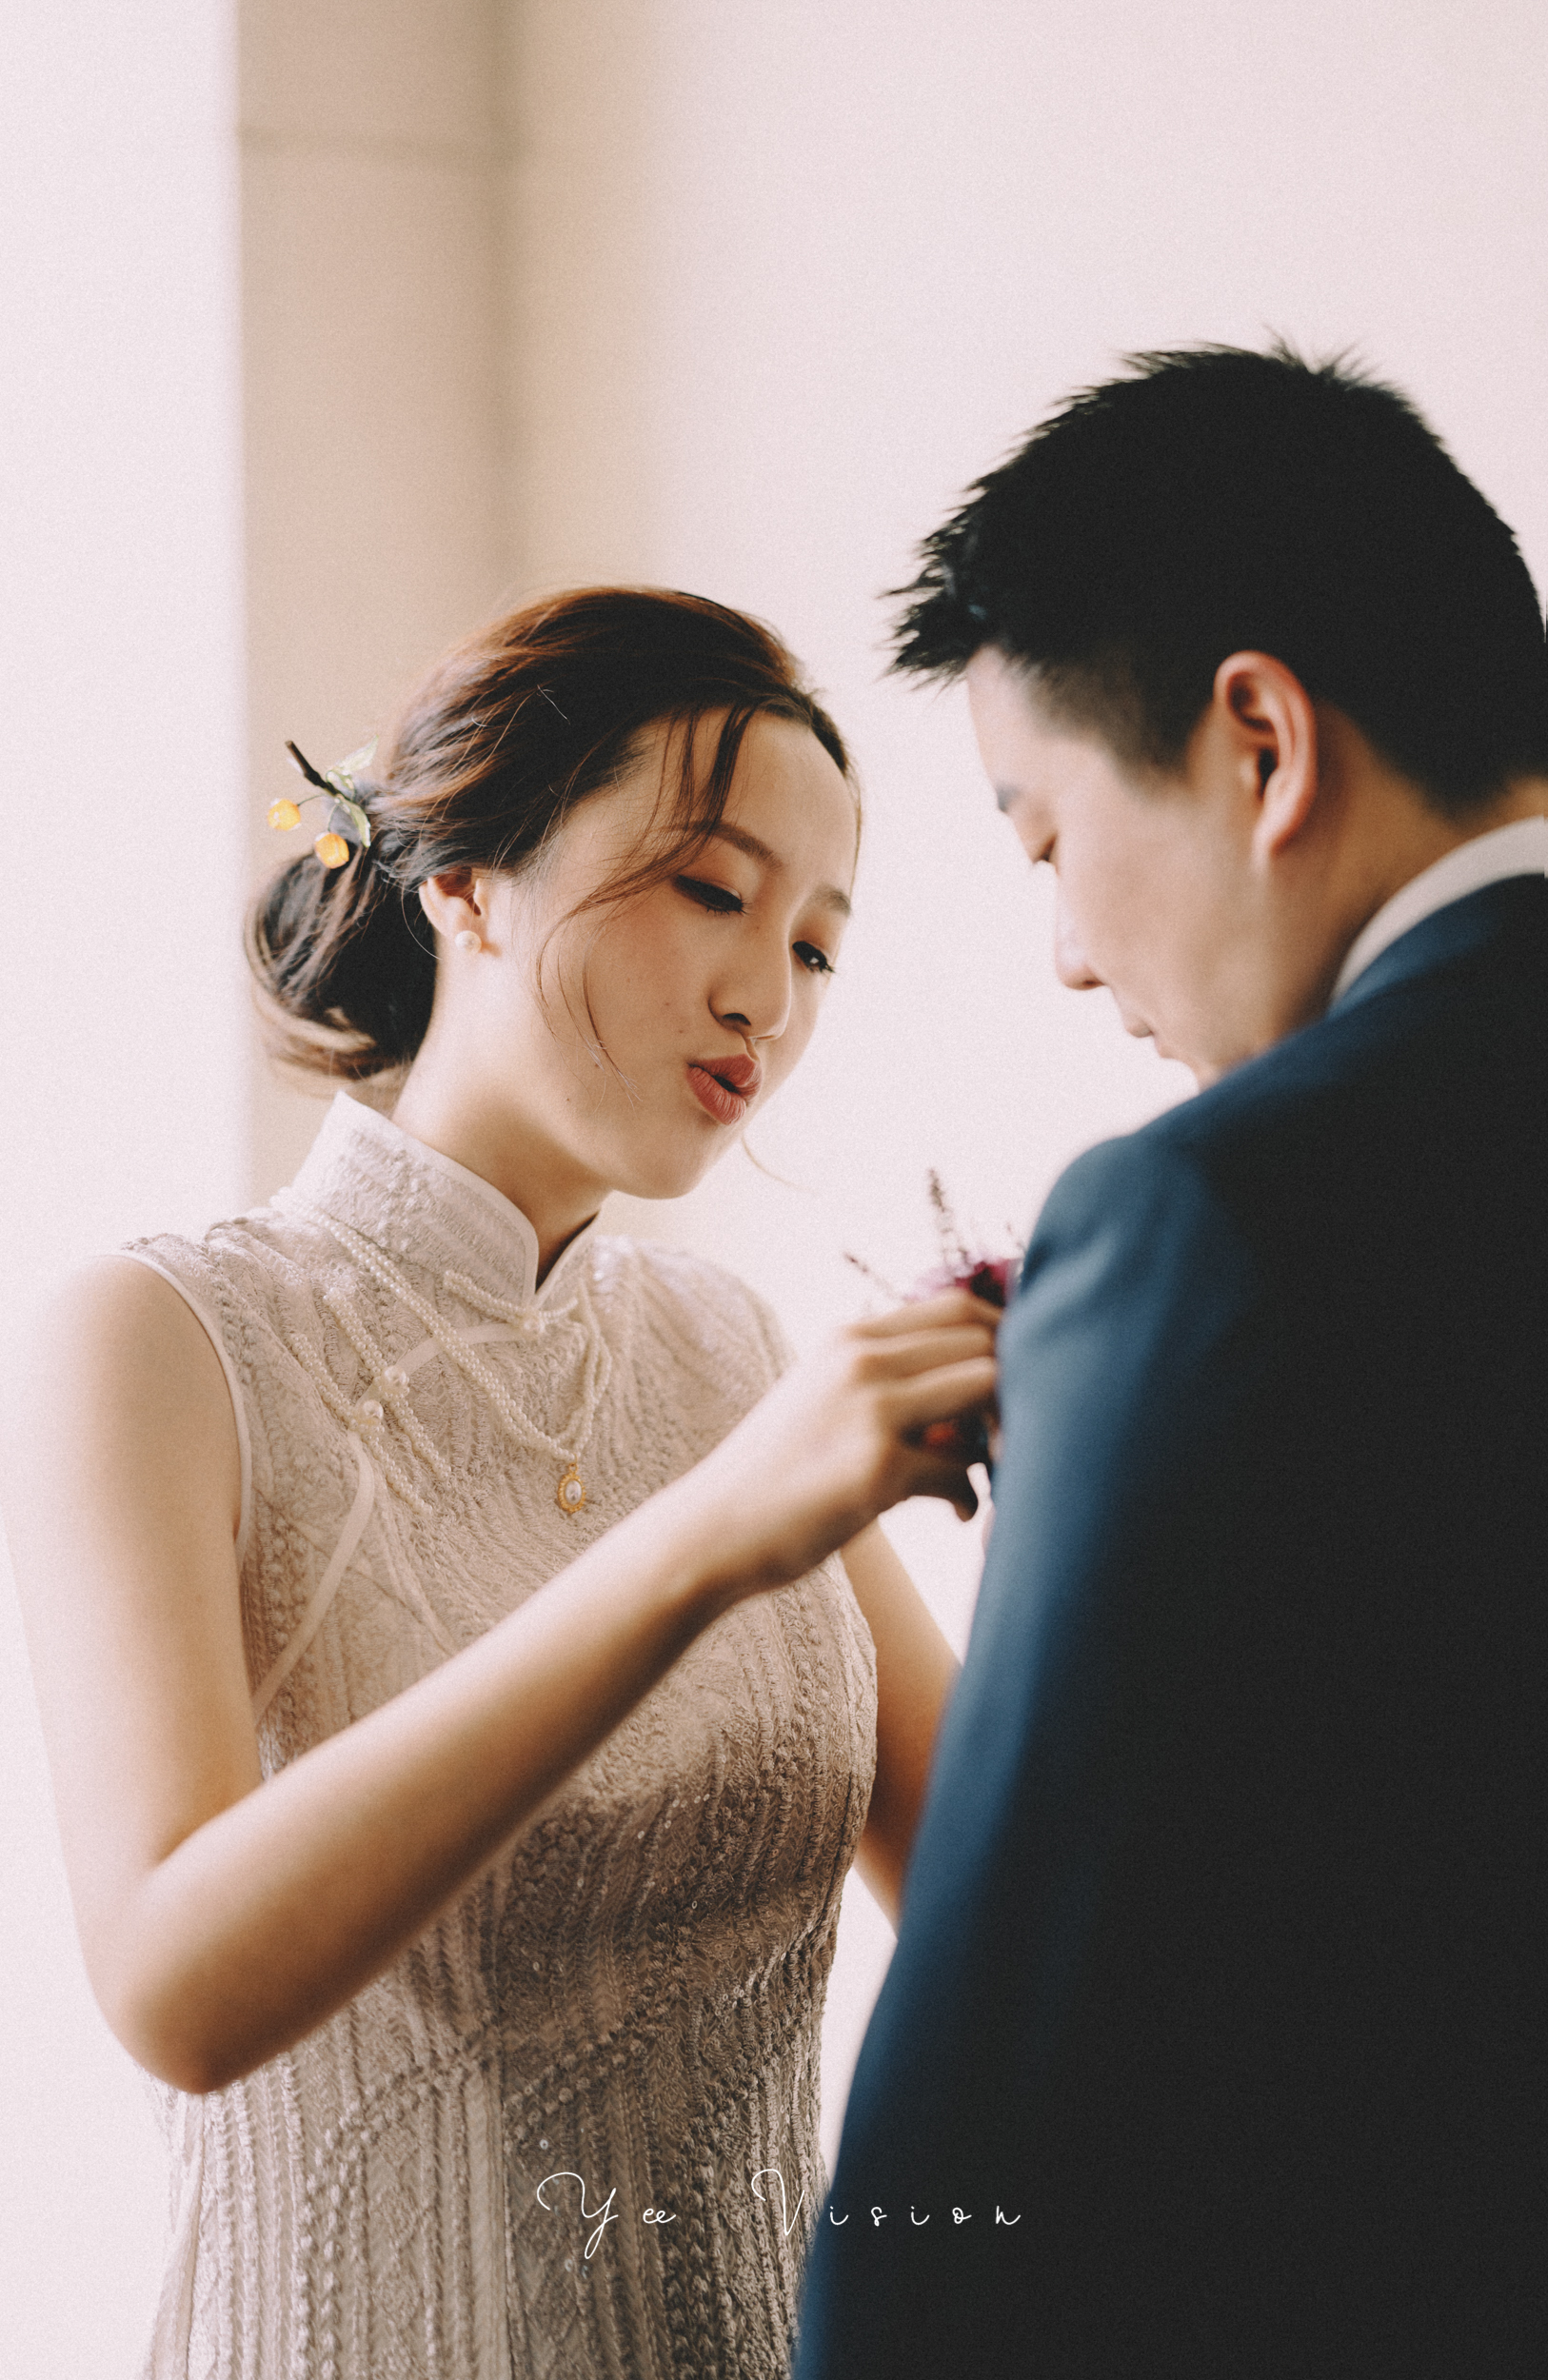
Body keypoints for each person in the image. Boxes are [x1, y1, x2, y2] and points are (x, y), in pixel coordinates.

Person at [2, 586, 1002, 2379]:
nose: (764, 996)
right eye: (709, 890)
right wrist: (703, 1542)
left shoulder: (729, 1350)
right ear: (463, 880)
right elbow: (174, 1986)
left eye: (818, 944)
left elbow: (1004, 1905)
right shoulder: (158, 1338)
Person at [795, 346, 1547, 2378]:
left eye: (1046, 841)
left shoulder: (1218, 1217)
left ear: (1260, 743)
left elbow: (1016, 2078)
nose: (1063, 952)